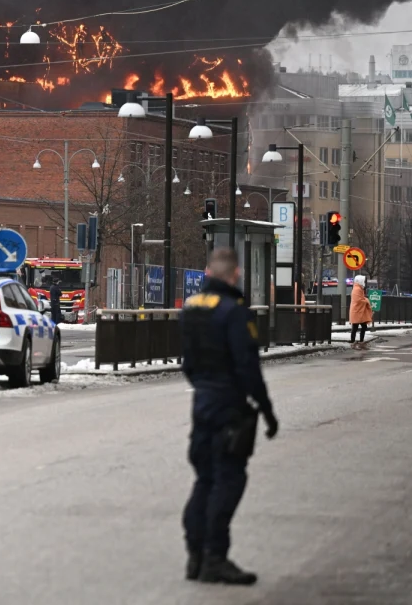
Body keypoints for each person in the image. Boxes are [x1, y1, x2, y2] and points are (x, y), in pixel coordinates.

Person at [180, 247, 277, 586]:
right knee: (229, 478)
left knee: (204, 478)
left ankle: (195, 555)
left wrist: (204, 388)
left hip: (202, 402)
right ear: (234, 274)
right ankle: (215, 559)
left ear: (207, 273)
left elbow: (187, 364)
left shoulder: (191, 309)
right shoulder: (234, 312)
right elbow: (248, 367)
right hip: (229, 406)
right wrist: (266, 410)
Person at [349, 274, 372, 345]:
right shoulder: (357, 289)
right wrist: (366, 301)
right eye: (363, 281)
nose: (364, 282)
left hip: (359, 311)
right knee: (358, 326)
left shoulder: (358, 288)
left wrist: (364, 300)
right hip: (357, 311)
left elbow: (360, 299)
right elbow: (358, 300)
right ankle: (356, 340)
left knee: (357, 326)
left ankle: (355, 340)